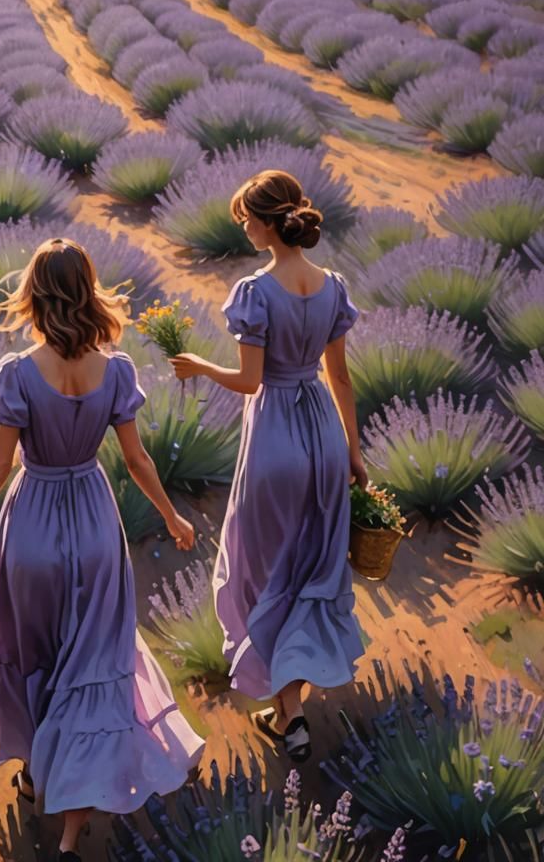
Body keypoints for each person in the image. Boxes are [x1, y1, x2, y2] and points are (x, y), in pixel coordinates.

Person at [0, 237, 205, 862]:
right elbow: (134, 459)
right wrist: (173, 515)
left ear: (37, 297)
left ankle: (36, 771)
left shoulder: (19, 373)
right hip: (96, 528)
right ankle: (72, 829)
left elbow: (0, 464)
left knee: (34, 656)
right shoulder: (117, 370)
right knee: (90, 668)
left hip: (34, 527)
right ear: (87, 291)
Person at [171, 170, 366, 763]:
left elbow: (251, 381)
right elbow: (341, 377)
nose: (244, 228)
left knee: (263, 573)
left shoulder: (256, 291)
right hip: (324, 437)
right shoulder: (331, 285)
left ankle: (291, 713)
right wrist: (354, 453)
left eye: (245, 219)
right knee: (311, 570)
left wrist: (199, 367)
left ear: (266, 220)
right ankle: (291, 712)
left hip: (277, 436)